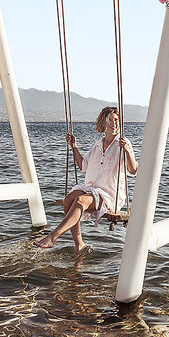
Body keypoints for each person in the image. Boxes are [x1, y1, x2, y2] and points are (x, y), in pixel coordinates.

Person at [34, 106, 138, 256]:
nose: (114, 123)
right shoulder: (98, 145)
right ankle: (79, 244)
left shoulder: (123, 143)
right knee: (69, 199)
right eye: (110, 119)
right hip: (93, 189)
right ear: (103, 122)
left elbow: (133, 170)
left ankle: (52, 237)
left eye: (116, 120)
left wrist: (127, 151)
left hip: (110, 195)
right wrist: (74, 146)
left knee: (80, 200)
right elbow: (83, 165)